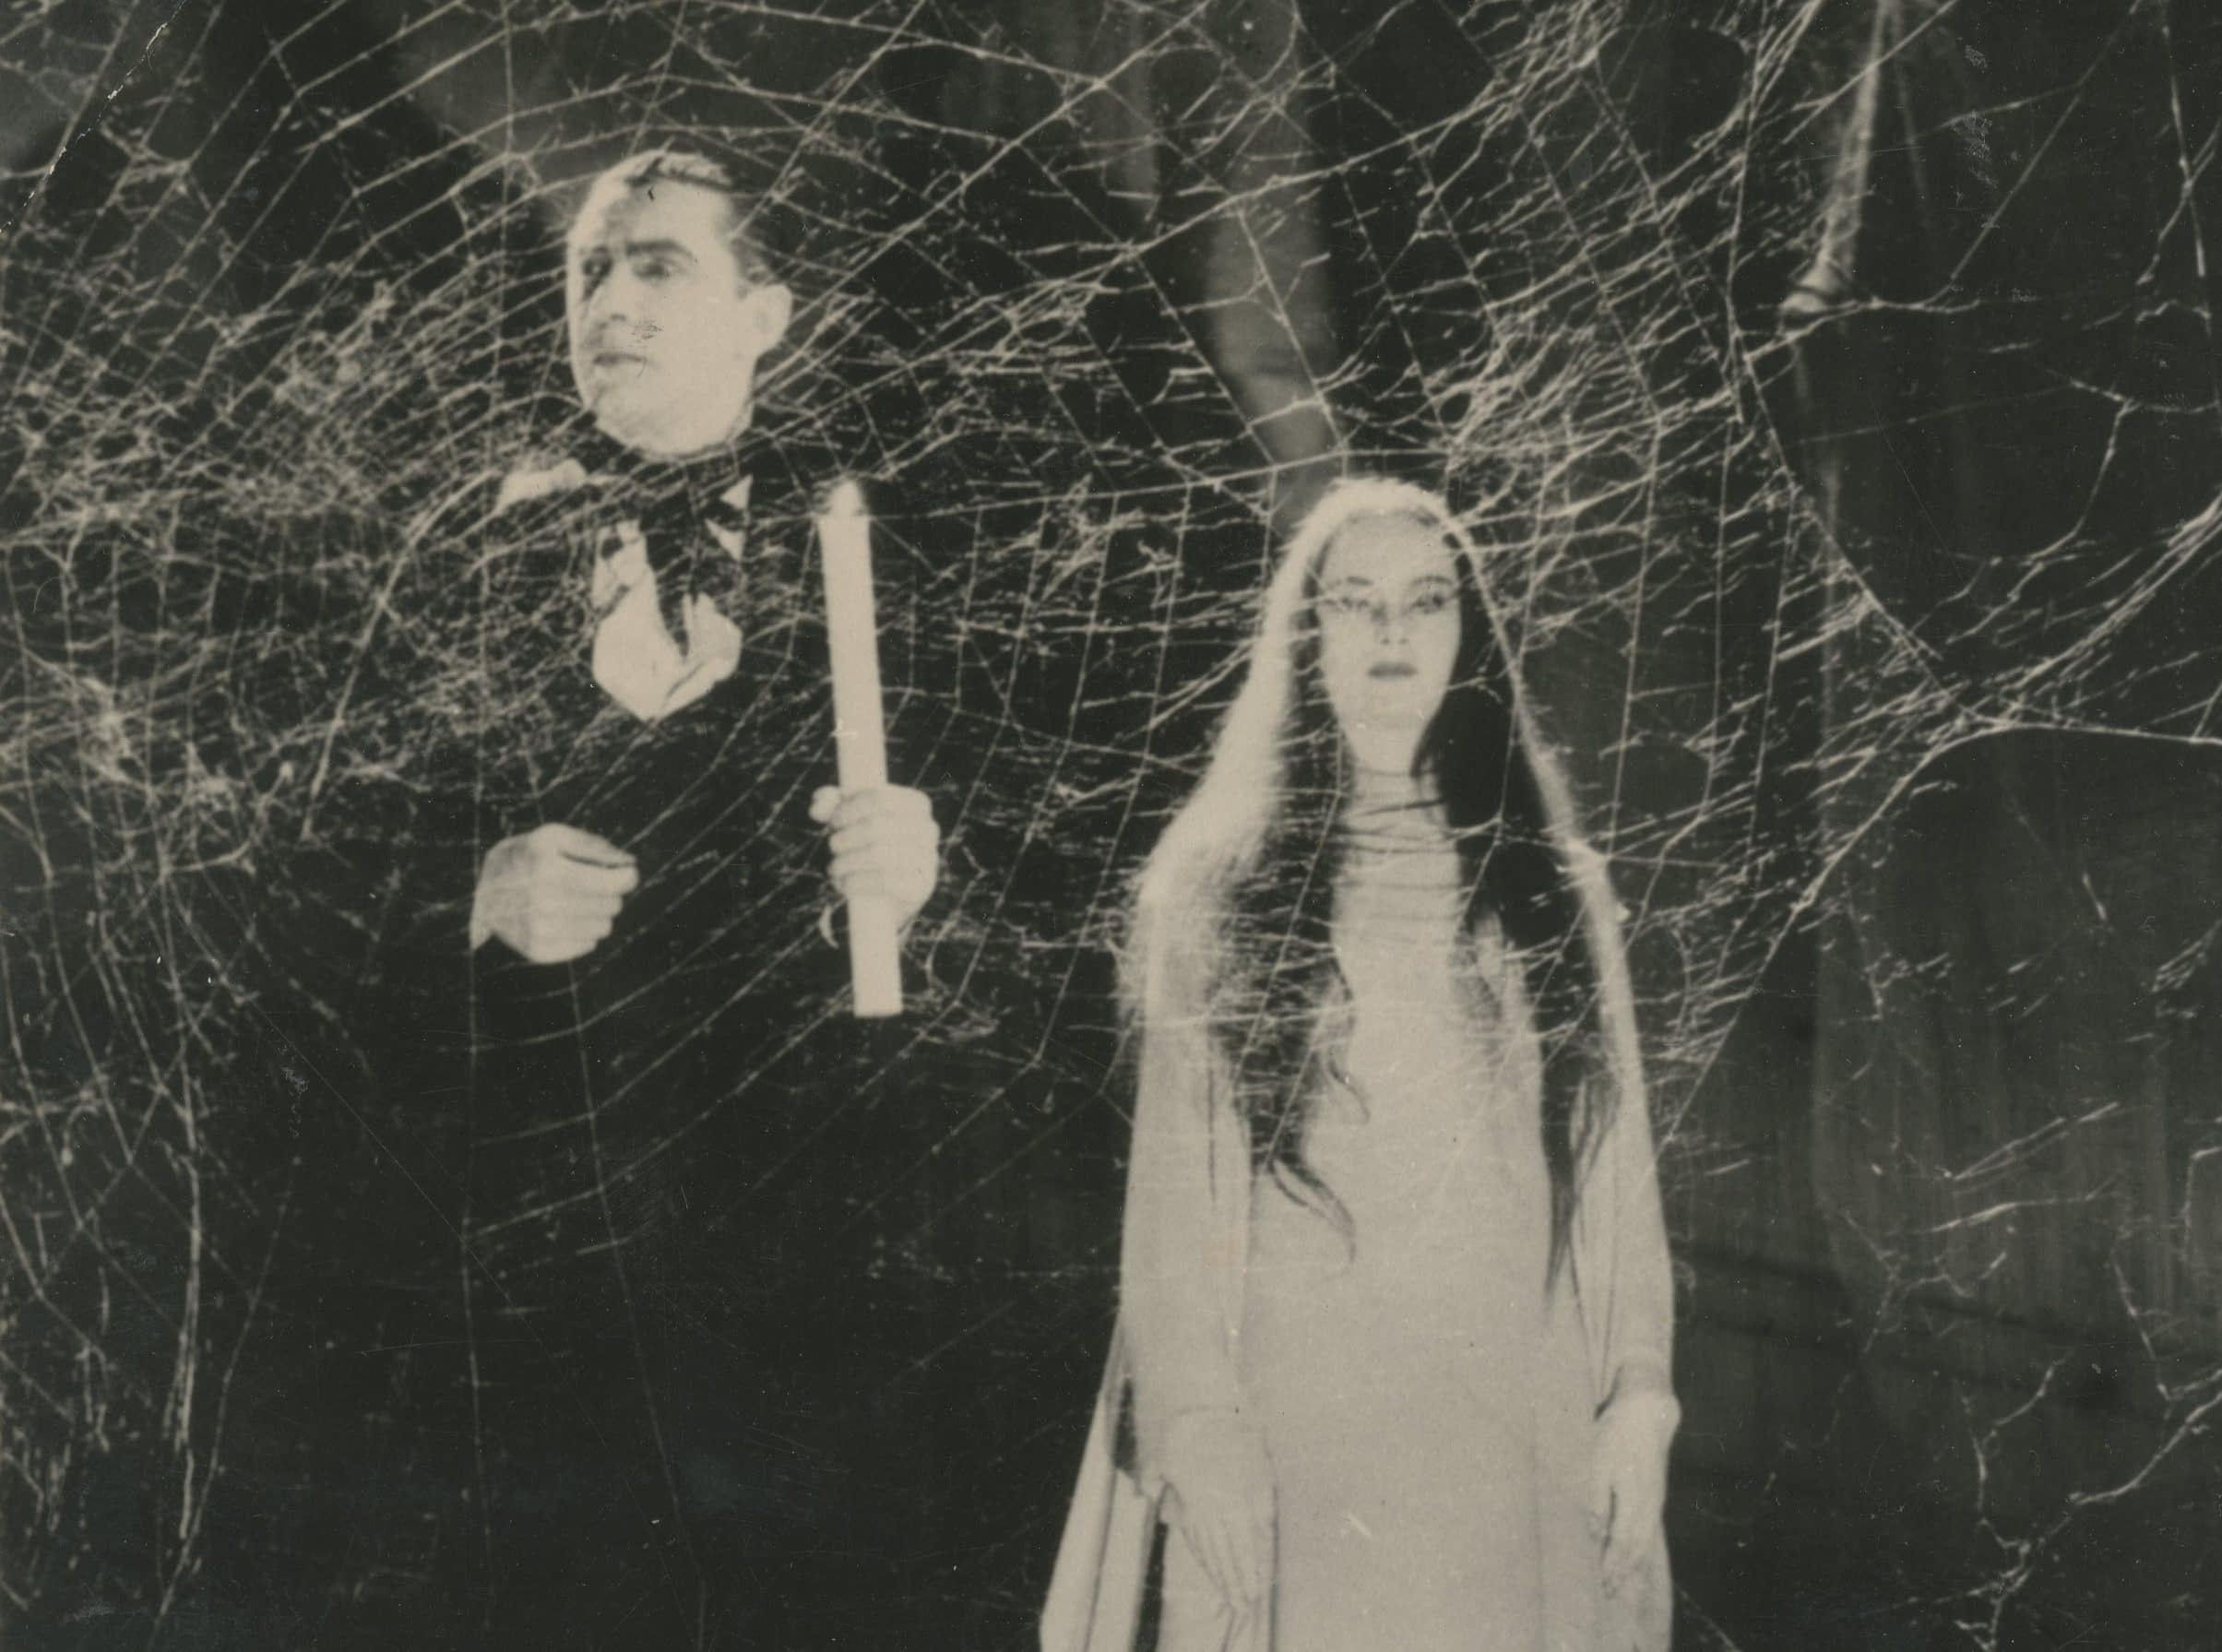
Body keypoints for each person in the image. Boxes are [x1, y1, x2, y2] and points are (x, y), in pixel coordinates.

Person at [353, 145, 952, 1646]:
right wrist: (471, 892)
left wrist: (925, 882)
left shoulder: (884, 553)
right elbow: (322, 872)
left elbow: (1032, 914)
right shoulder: (469, 553)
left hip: (800, 1261)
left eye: (658, 264)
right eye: (588, 271)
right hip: (536, 1265)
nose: (608, 302)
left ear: (766, 312)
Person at [1042, 476, 1680, 1652]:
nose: (1393, 631)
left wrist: (1640, 1392)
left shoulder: (1558, 889)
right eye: (1355, 601)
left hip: (1513, 1427)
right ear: (1306, 634)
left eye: (1428, 599)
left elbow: (1614, 1161)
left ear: (1468, 634)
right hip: (1301, 1447)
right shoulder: (1210, 891)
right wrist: (1197, 1423)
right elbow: (1168, 1204)